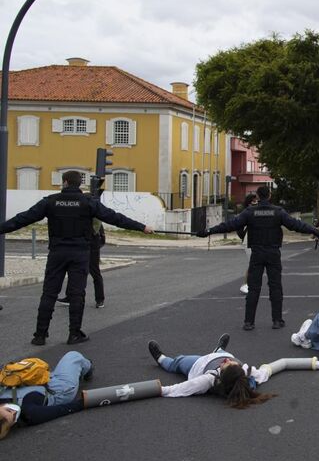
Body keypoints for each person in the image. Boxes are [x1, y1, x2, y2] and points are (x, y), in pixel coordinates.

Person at [0, 170, 153, 346]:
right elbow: (115, 218)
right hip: (80, 254)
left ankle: (40, 335)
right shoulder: (88, 202)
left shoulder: (50, 201)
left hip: (57, 253)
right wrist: (142, 227)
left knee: (49, 293)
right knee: (77, 294)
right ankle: (74, 334)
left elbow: (22, 219)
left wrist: (1, 228)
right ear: (80, 184)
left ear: (65, 182)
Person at [198, 185, 319, 330]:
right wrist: (316, 231)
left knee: (253, 288)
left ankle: (248, 322)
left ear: (257, 196)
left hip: (256, 253)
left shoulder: (250, 212)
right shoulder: (278, 212)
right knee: (275, 286)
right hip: (273, 253)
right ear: (269, 195)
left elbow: (230, 225)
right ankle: (277, 320)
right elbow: (297, 225)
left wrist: (209, 231)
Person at [148, 333, 275, 407]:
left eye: (225, 364)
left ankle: (161, 359)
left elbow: (183, 387)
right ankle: (219, 350)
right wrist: (268, 368)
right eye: (231, 362)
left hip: (199, 364)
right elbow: (265, 373)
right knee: (224, 354)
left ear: (221, 374)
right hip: (220, 355)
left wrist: (161, 390)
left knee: (177, 362)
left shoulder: (209, 379)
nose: (227, 361)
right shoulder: (247, 371)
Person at [0, 351, 92, 439]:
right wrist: (86, 401)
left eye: (8, 410)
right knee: (73, 356)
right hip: (59, 389)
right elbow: (61, 410)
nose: (13, 411)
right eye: (13, 417)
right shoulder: (30, 413)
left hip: (38, 379)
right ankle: (87, 368)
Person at [238, 192, 258, 295]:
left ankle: (249, 284)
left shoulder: (255, 212)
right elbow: (238, 227)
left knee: (254, 263)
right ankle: (245, 284)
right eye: (254, 201)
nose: (256, 203)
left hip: (255, 240)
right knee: (253, 263)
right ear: (249, 203)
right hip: (248, 240)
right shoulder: (246, 213)